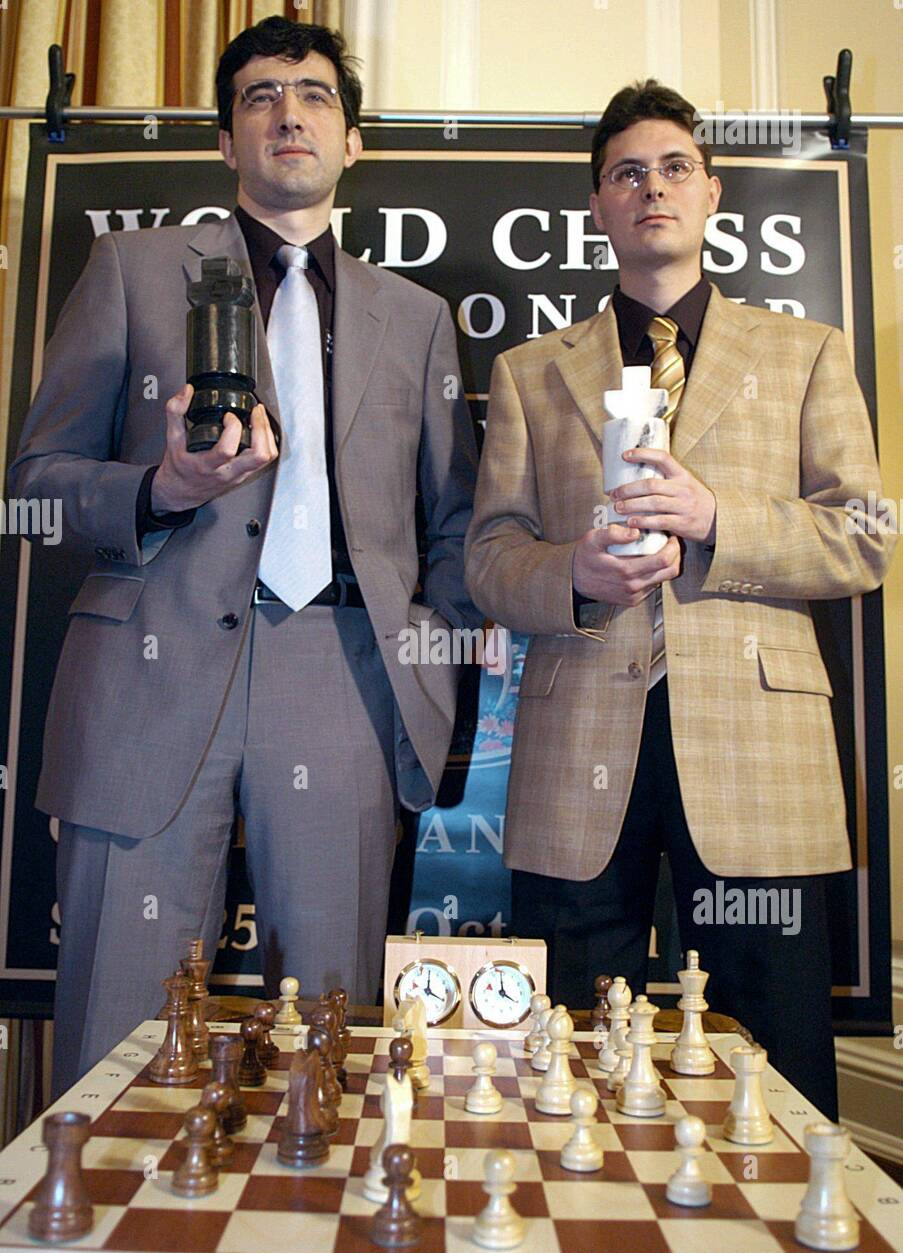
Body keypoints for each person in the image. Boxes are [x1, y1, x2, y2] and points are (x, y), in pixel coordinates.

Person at [10, 17, 479, 1099]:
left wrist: (423, 658)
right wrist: (159, 489)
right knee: (116, 1045)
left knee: (328, 1041)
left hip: (344, 678)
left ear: (352, 140)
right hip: (151, 676)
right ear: (227, 141)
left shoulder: (416, 318)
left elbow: (452, 525)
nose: (288, 114)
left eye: (314, 95)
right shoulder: (130, 270)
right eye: (261, 96)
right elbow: (36, 482)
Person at [464, 79, 895, 1121]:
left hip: (758, 752)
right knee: (567, 1058)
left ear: (712, 194)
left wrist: (717, 517)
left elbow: (868, 537)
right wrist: (573, 572)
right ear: (600, 210)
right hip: (580, 755)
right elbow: (487, 558)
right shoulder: (529, 373)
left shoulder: (807, 355)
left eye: (673, 168)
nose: (651, 187)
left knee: (772, 1058)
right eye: (626, 174)